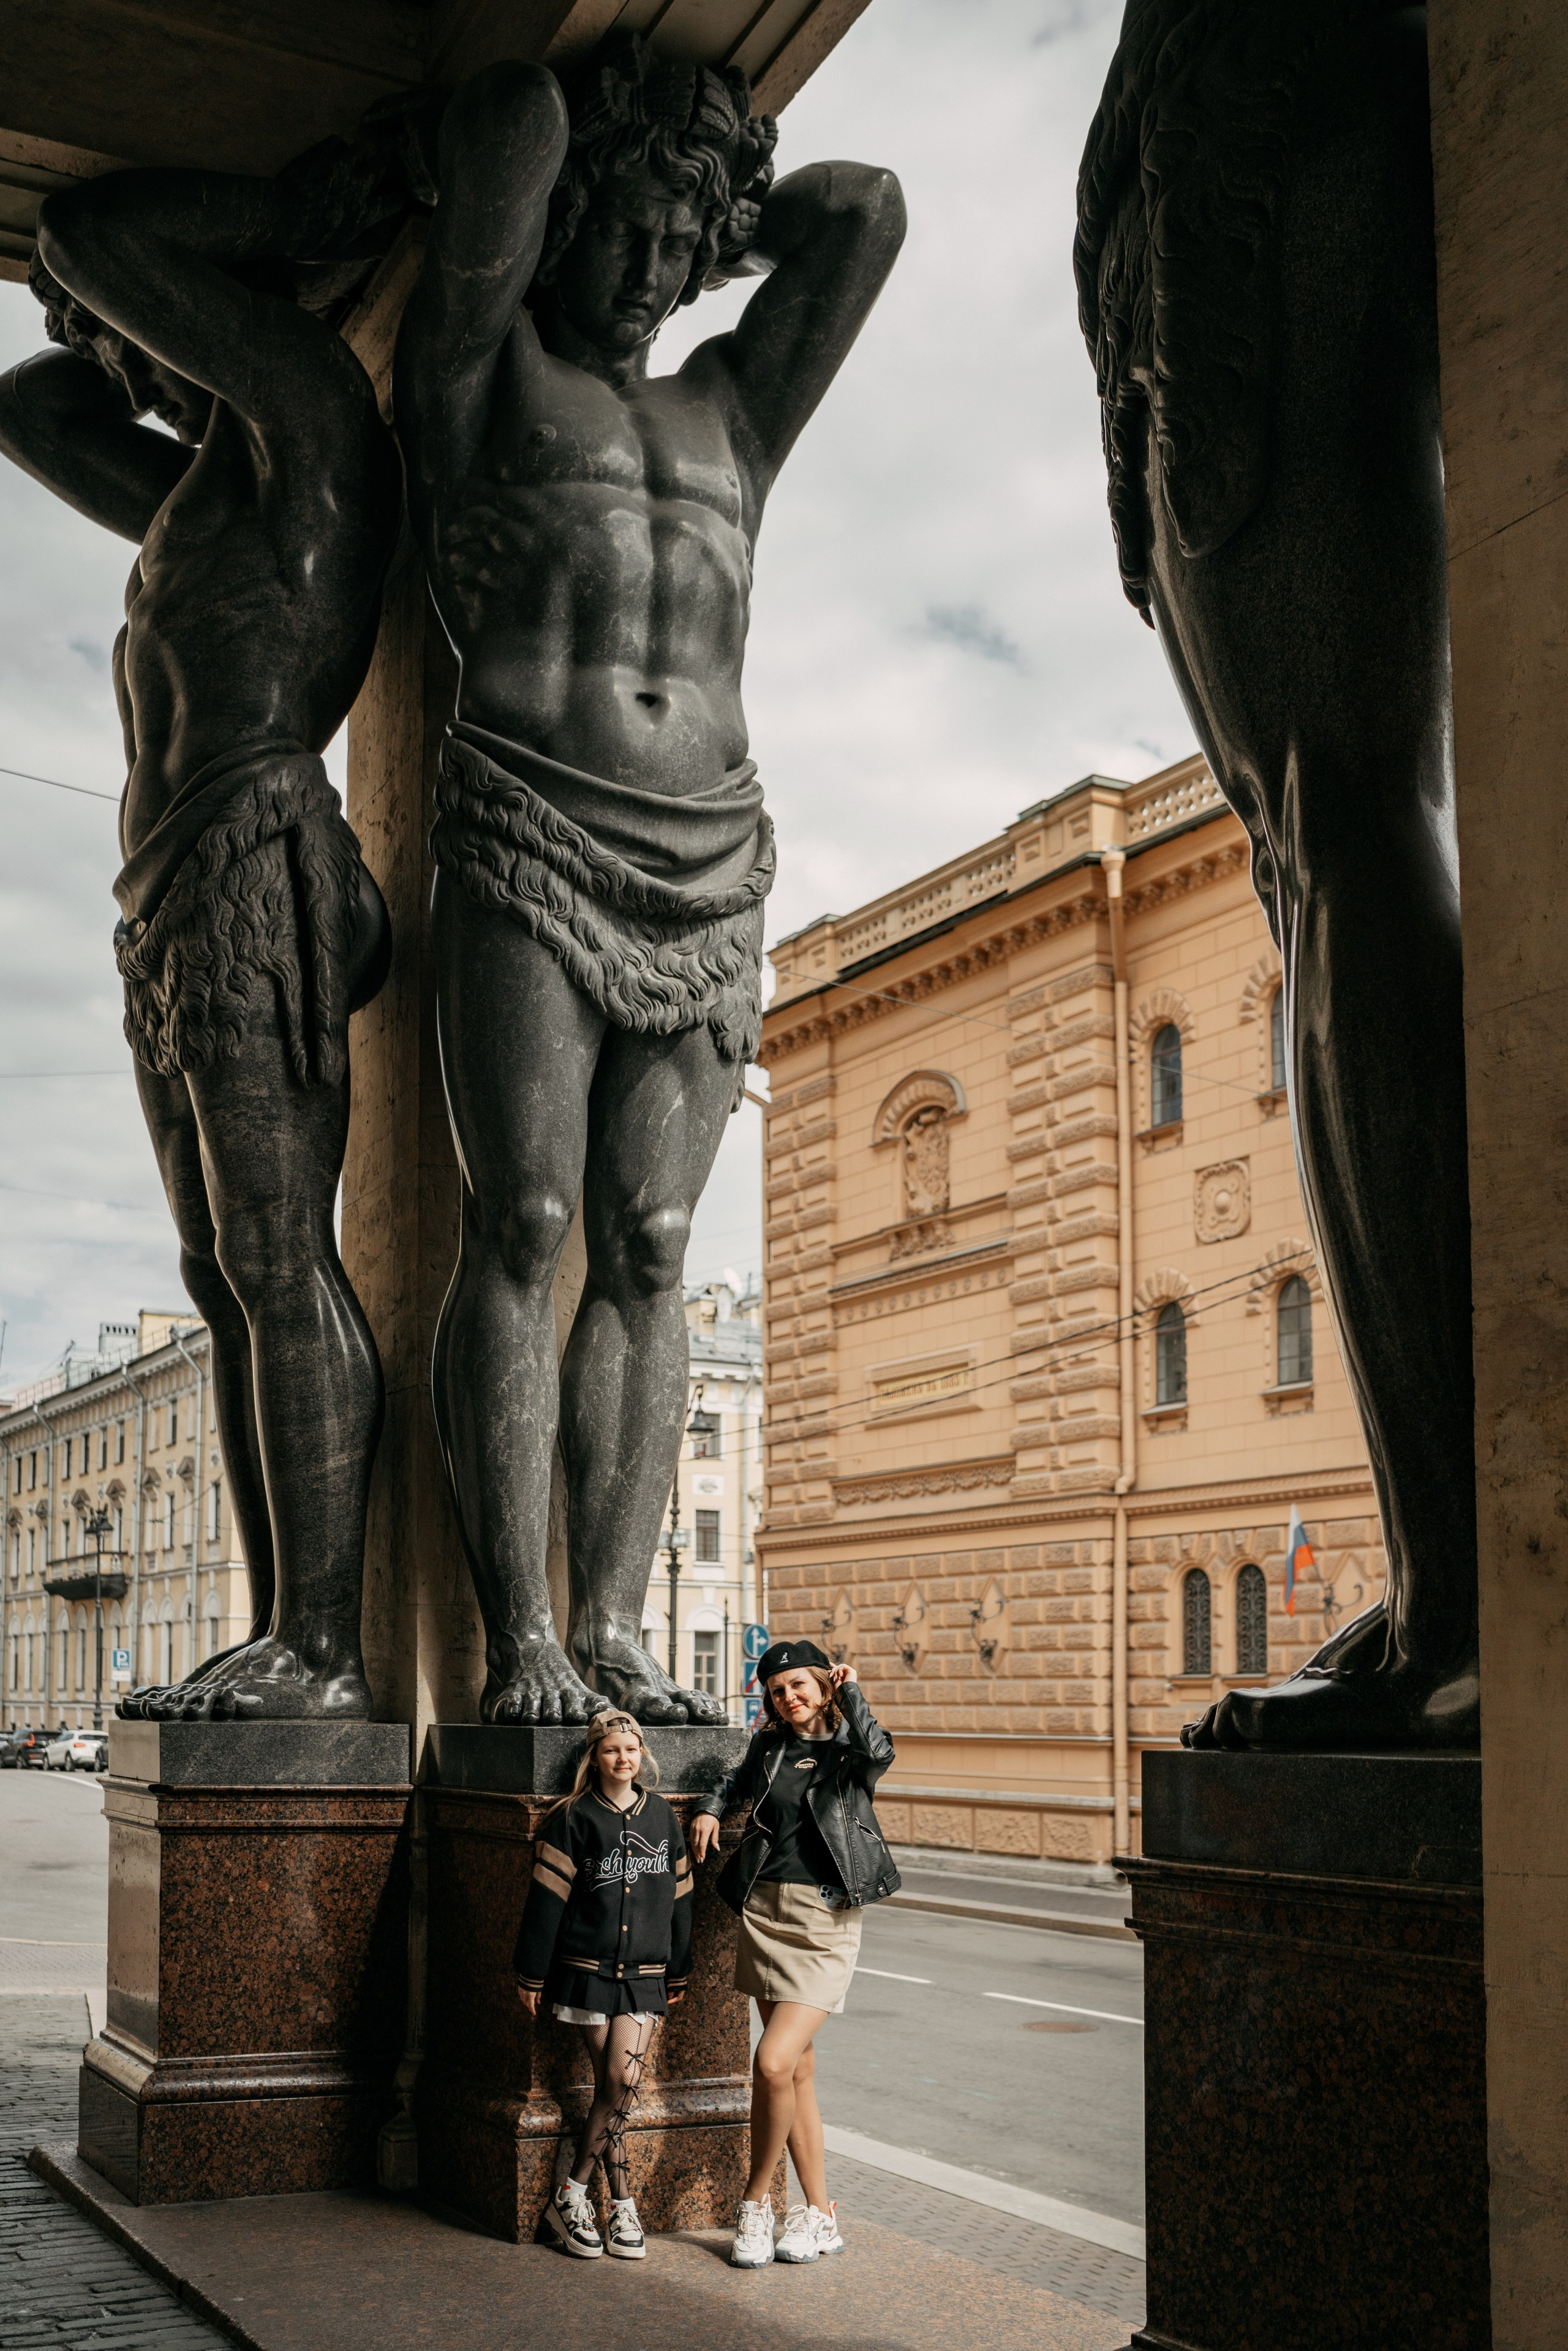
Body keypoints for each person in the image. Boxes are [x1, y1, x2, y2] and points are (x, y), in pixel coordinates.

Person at [394, 34, 905, 1727]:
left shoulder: (731, 412)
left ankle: (609, 1622)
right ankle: (516, 1632)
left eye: (680, 248)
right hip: (531, 820)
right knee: (525, 1217)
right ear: (564, 219)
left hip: (713, 855)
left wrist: (711, 197)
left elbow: (866, 212)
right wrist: (612, 147)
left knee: (655, 1237)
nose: (648, 270)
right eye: (623, 228)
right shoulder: (473, 377)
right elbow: (509, 114)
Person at [1076, 1, 1477, 1749]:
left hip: (1271, 148)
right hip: (1203, 245)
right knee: (1310, 866)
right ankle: (1450, 1573)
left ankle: (1470, 1598)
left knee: (1343, 848)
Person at [0, 124, 428, 1718]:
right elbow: (26, 404)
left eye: (128, 331)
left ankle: (325, 1636)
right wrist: (107, 345)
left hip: (259, 850)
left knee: (272, 1246)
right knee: (218, 1264)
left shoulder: (314, 426)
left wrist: (272, 213)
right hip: (167, 891)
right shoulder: (197, 497)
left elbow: (97, 223)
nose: (105, 351)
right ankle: (284, 1625)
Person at [690, 1640, 901, 2270]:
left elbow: (881, 1752)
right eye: (777, 1690)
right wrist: (709, 1807)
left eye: (799, 1685)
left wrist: (853, 1691)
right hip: (764, 1908)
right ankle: (820, 2215)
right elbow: (734, 1778)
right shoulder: (771, 1746)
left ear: (823, 1683)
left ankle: (754, 2203)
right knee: (797, 2071)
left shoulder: (847, 1753)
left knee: (772, 2058)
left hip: (825, 1916)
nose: (789, 1697)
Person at [514, 1710, 693, 2260]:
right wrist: (531, 1972)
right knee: (617, 2087)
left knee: (619, 2081)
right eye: (613, 1750)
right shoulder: (573, 1818)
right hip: (586, 1973)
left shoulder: (662, 1816)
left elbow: (682, 1902)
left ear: (644, 1756)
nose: (624, 1759)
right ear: (595, 1756)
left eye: (632, 1750)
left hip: (643, 1977)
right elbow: (546, 1904)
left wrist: (679, 1968)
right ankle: (620, 2203)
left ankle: (573, 2193)